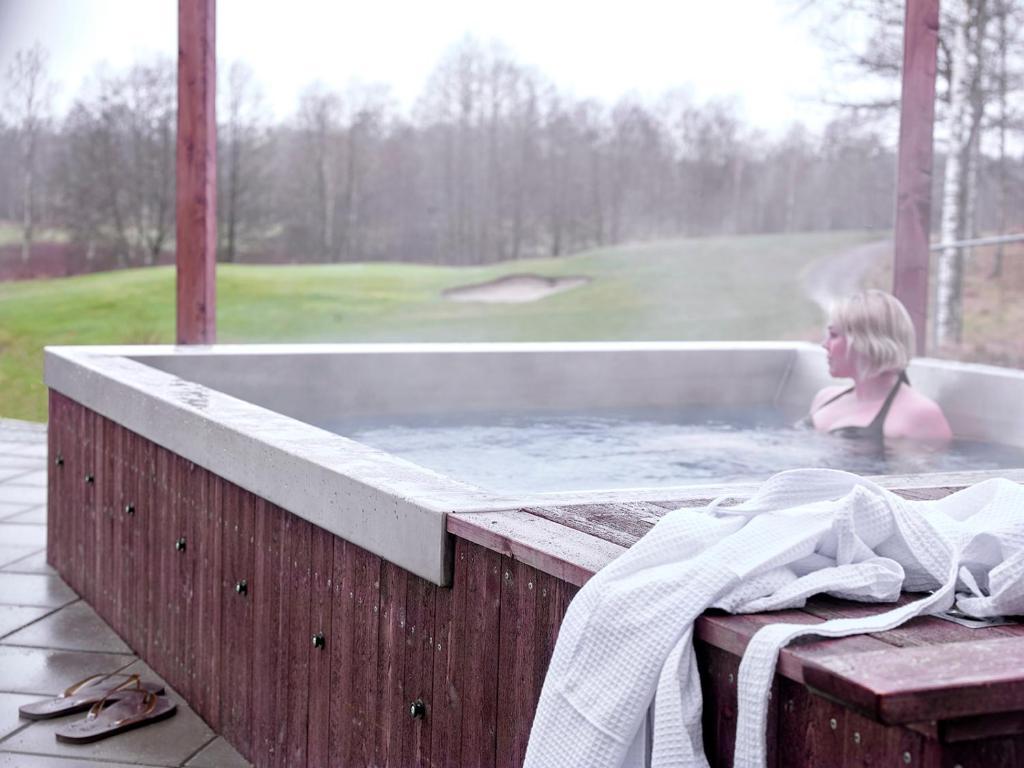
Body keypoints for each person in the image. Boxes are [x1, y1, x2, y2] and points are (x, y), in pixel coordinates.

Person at [807, 290, 952, 444]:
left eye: (834, 335)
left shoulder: (919, 415)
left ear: (866, 343)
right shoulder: (824, 398)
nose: (825, 345)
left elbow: (938, 467)